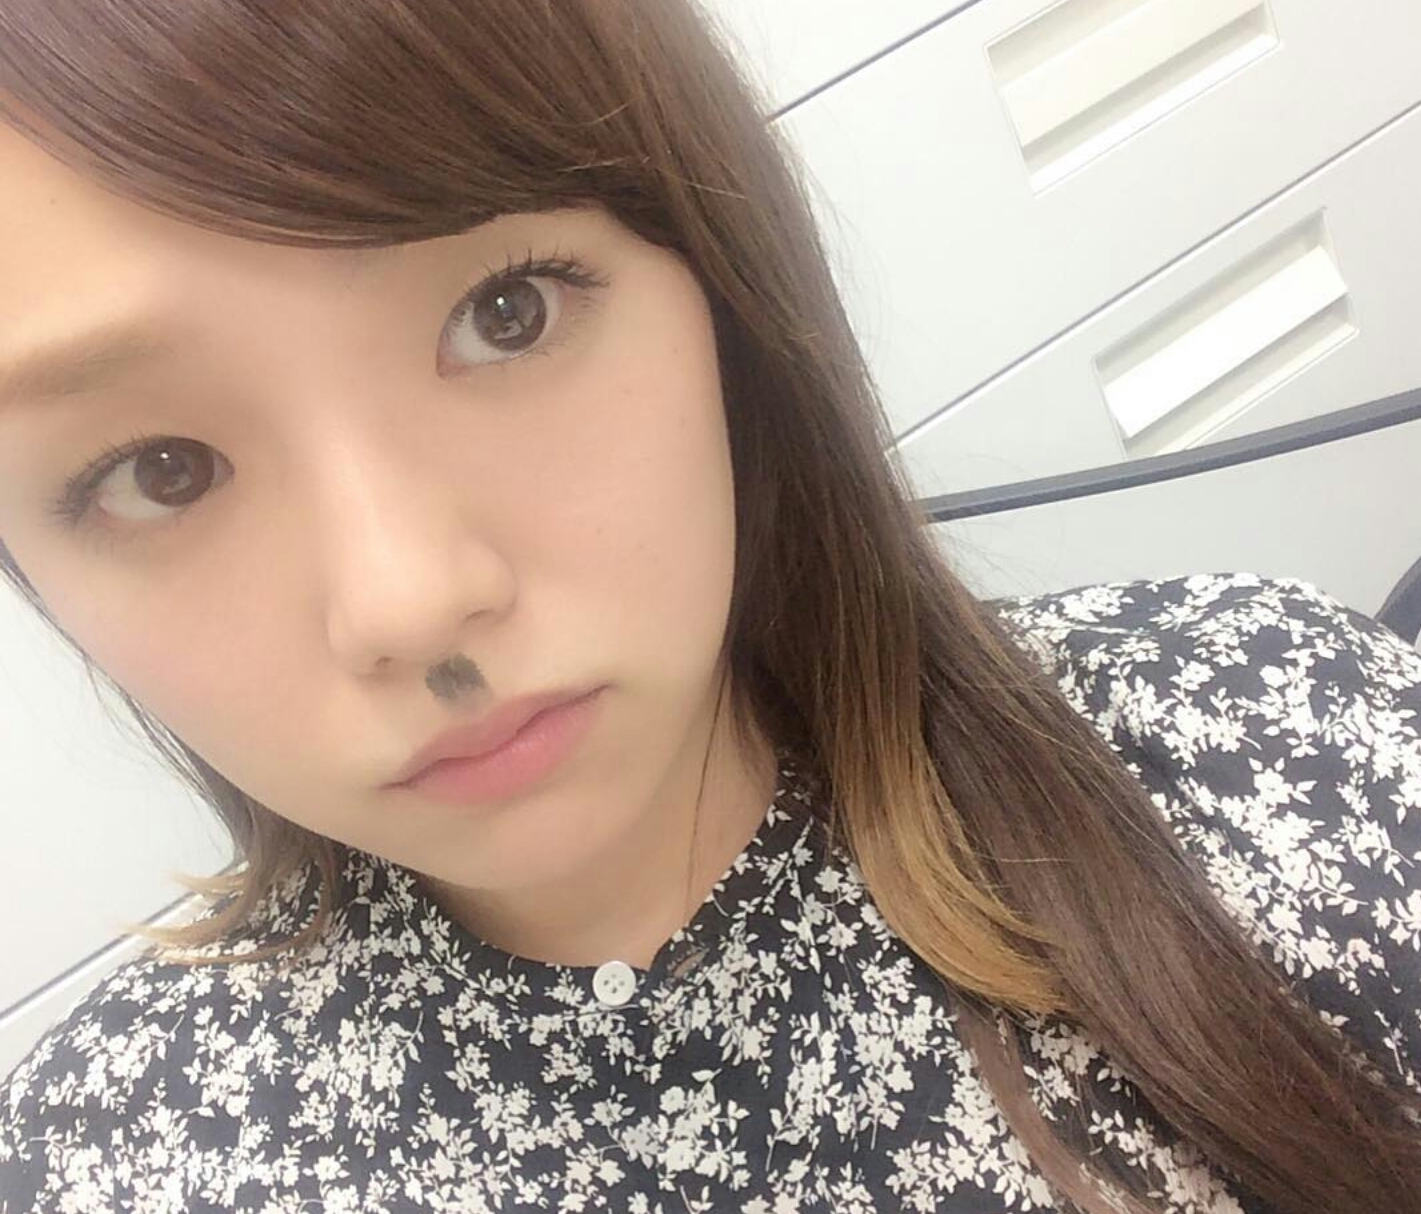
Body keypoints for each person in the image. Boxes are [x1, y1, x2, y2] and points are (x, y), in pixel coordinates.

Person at [0, 2, 1417, 1211]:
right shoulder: (110, 1157)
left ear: (724, 298)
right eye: (158, 470)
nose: (412, 601)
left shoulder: (1280, 752)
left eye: (506, 313)